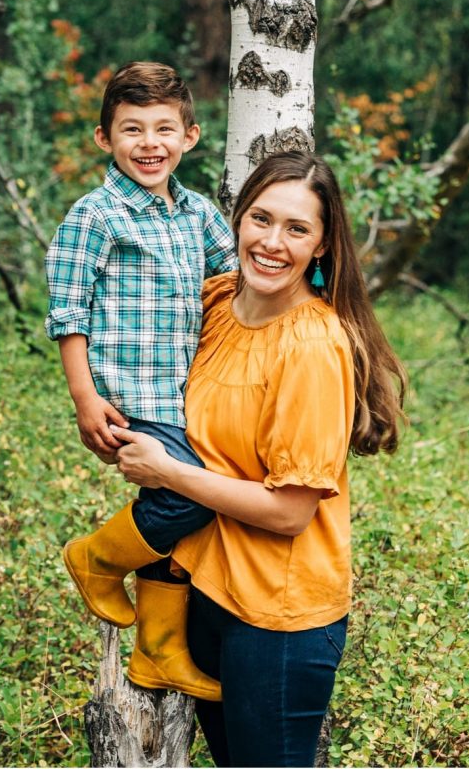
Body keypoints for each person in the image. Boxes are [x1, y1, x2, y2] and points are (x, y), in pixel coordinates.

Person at [113, 151, 407, 766]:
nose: (273, 243)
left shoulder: (311, 347)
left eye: (297, 229)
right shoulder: (216, 305)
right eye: (260, 219)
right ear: (237, 220)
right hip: (207, 593)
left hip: (277, 619)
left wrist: (166, 473)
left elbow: (290, 513)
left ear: (323, 246)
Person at [45, 61, 236, 701]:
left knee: (179, 520)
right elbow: (68, 310)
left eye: (163, 128)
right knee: (192, 498)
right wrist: (84, 397)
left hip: (190, 398)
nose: (149, 143)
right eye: (132, 129)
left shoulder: (198, 214)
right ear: (104, 139)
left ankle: (157, 651)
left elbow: (237, 278)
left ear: (191, 135)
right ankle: (96, 558)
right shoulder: (95, 215)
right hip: (130, 399)